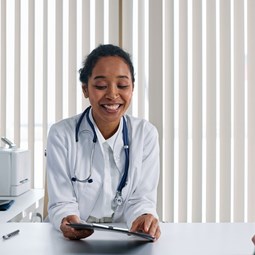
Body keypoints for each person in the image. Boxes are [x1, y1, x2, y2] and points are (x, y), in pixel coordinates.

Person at [46, 44, 161, 241]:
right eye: (100, 86)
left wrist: (143, 218)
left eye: (122, 86)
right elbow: (61, 201)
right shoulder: (61, 134)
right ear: (85, 89)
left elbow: (141, 199)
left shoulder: (145, 134)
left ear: (132, 88)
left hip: (126, 237)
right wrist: (68, 219)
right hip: (74, 241)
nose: (112, 94)